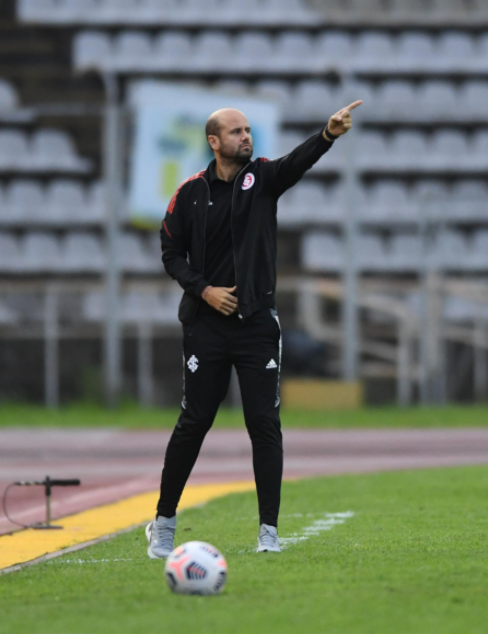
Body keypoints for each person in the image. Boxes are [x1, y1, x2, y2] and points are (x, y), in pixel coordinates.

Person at [147, 100, 362, 557]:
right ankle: (164, 522)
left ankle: (269, 530)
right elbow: (170, 254)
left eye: (248, 130)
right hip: (205, 327)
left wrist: (327, 134)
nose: (246, 137)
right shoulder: (188, 194)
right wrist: (204, 291)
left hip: (257, 325)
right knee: (195, 421)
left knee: (263, 423)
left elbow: (294, 164)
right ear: (214, 141)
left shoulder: (261, 178)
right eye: (236, 132)